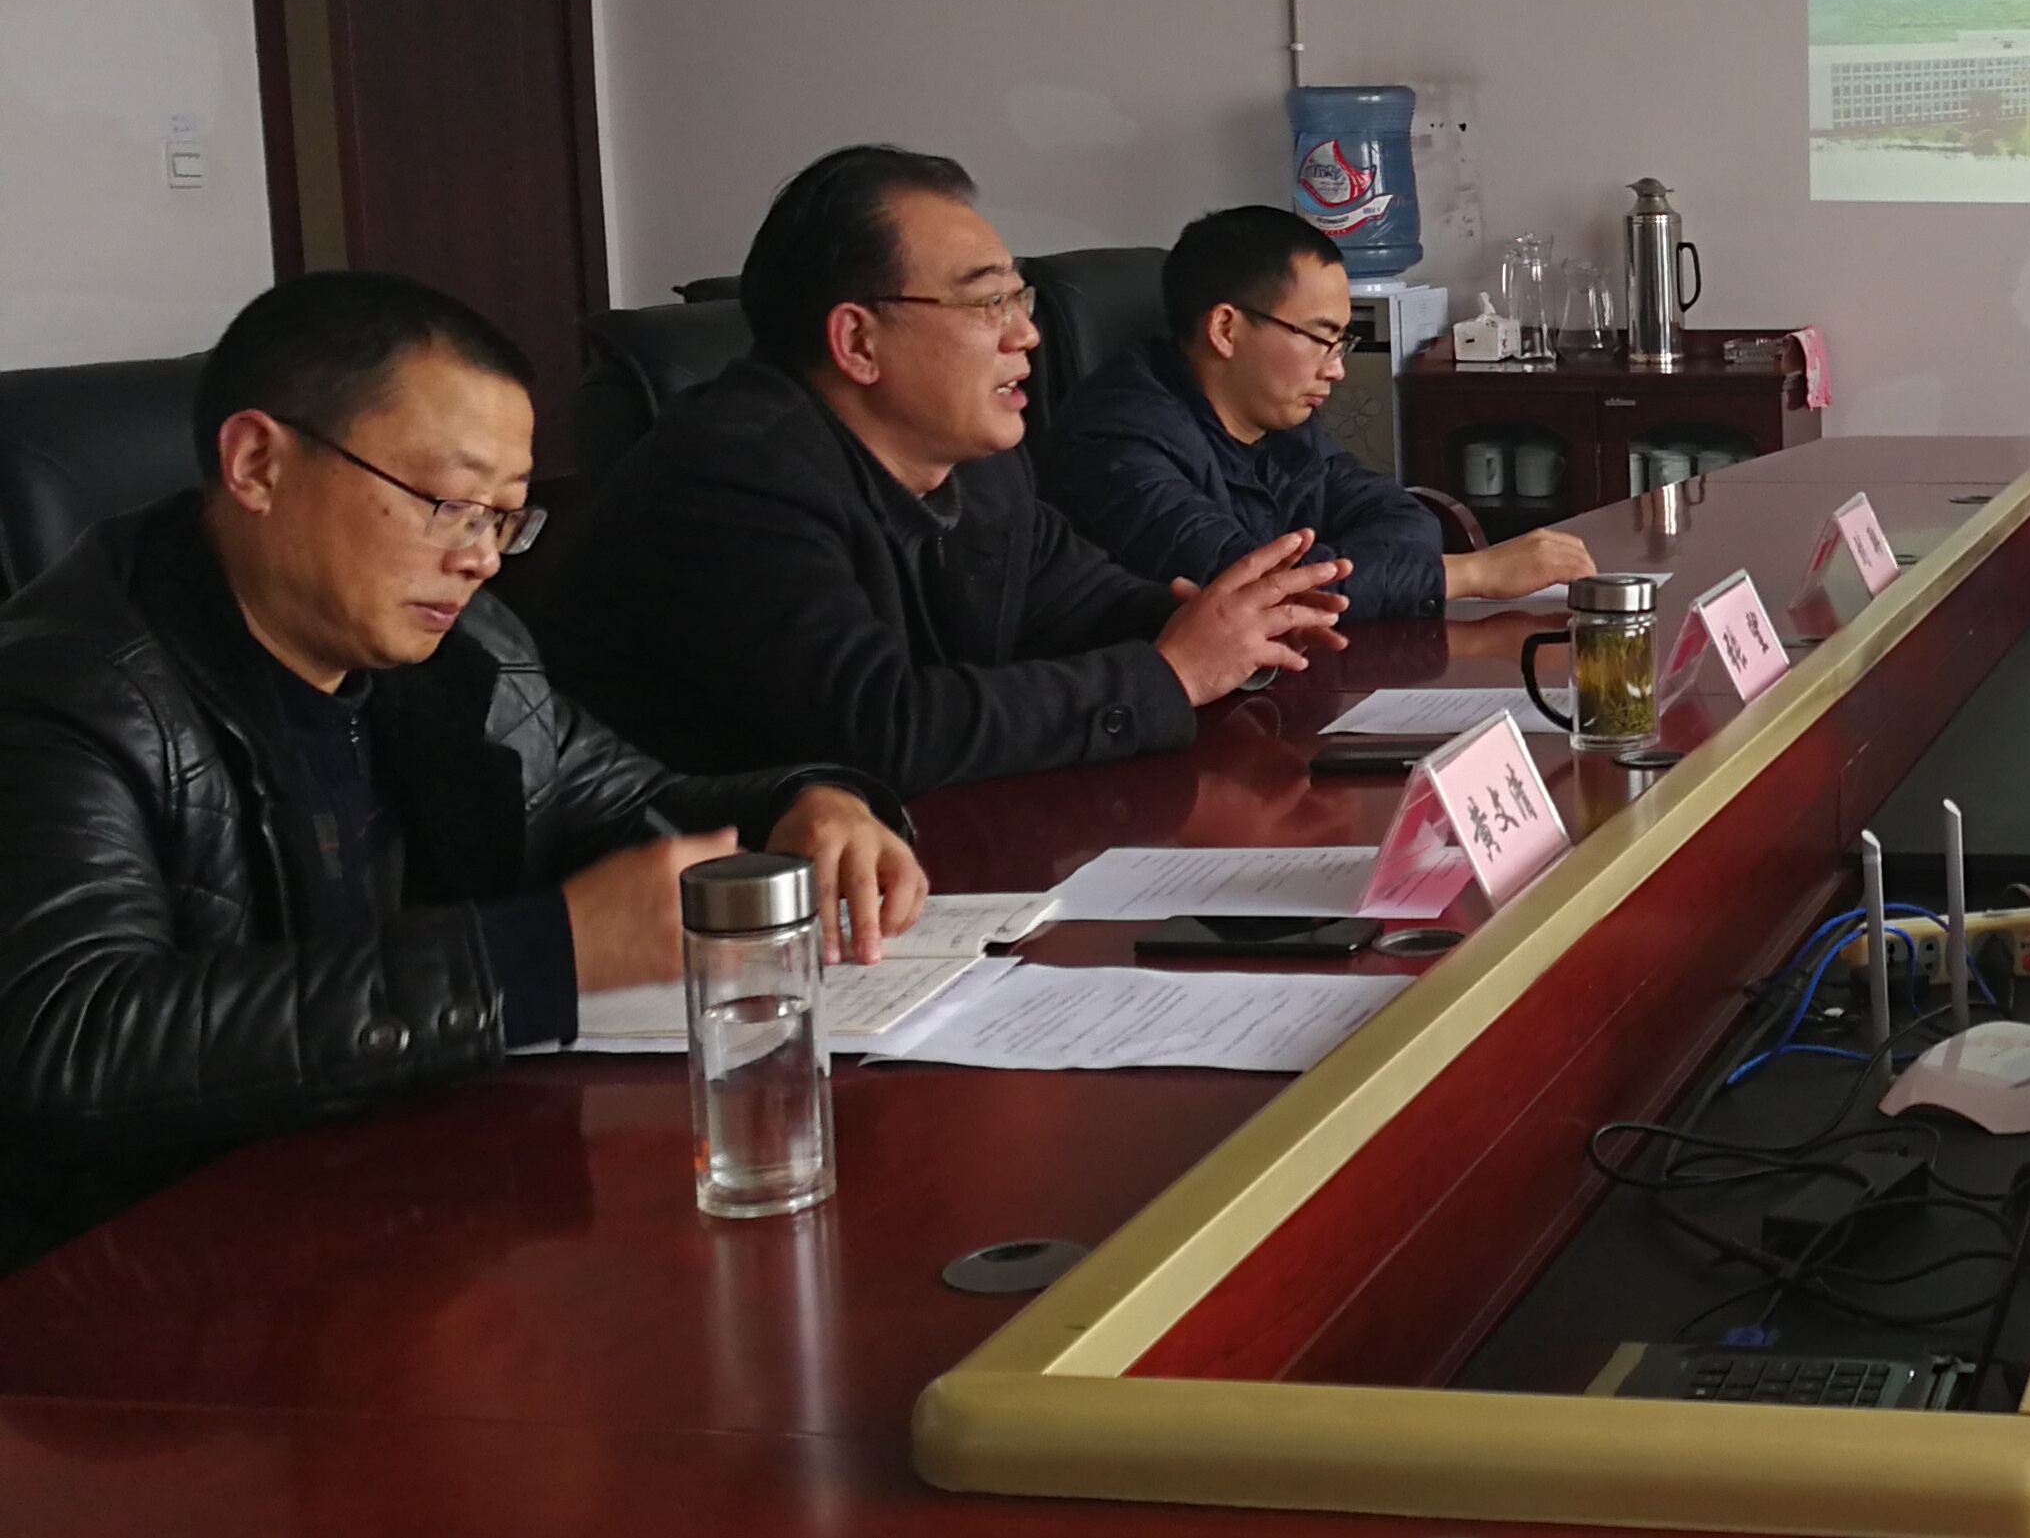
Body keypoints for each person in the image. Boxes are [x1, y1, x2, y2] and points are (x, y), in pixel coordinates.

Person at [0, 274, 924, 1267]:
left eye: (503, 517)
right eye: (448, 503)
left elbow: (638, 807)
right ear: (258, 462)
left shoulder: (469, 654)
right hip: (144, 1277)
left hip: (399, 1213)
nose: (480, 558)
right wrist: (528, 959)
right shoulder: (68, 690)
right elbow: (71, 1036)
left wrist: (810, 802)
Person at [542, 147, 1346, 798]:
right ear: (857, 342)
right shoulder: (732, 475)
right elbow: (880, 729)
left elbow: (1083, 604)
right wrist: (1172, 673)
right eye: (988, 304)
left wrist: (1228, 626)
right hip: (714, 902)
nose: (1027, 335)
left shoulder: (979, 467)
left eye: (1021, 300)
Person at [1047, 207, 1596, 609]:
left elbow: (1401, 517)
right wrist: (1471, 574)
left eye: (1341, 343)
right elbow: (1251, 595)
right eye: (1319, 338)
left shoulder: (1279, 418)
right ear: (1225, 329)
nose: (1336, 369)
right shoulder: (1116, 446)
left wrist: (1338, 572)